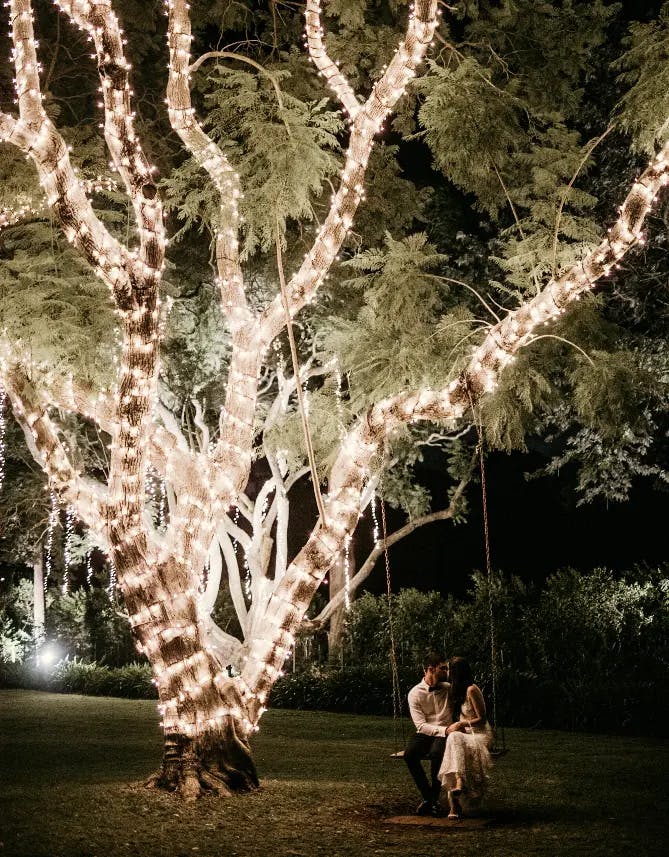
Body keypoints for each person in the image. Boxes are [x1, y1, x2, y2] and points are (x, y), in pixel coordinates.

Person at [438, 656, 494, 819]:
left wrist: (461, 725)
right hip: (464, 735)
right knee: (454, 739)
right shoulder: (456, 689)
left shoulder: (471, 689)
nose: (447, 672)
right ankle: (458, 784)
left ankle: (454, 803)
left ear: (457, 673)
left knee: (454, 738)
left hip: (479, 733)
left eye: (449, 670)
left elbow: (482, 718)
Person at [404, 651, 452, 816]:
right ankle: (430, 798)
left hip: (446, 732)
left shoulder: (449, 689)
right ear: (431, 669)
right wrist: (444, 730)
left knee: (437, 754)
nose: (447, 672)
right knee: (410, 754)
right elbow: (420, 725)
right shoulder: (415, 693)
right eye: (443, 668)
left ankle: (432, 800)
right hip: (426, 731)